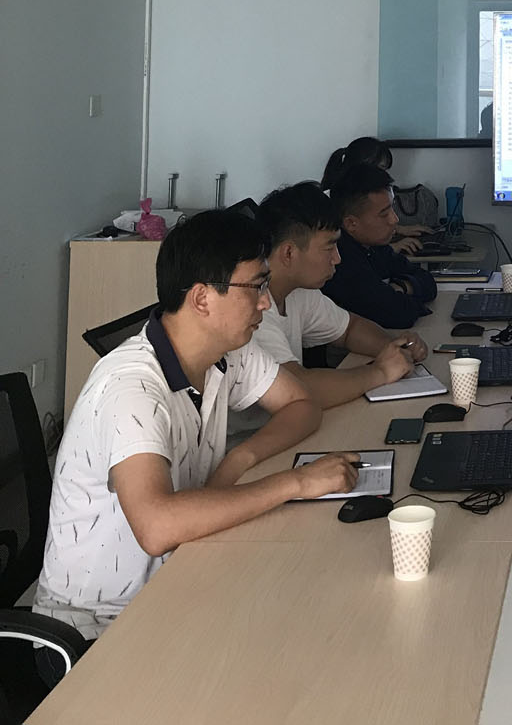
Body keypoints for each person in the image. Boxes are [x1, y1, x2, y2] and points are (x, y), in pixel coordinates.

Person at [33, 211, 358, 640]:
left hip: (180, 577)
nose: (265, 302)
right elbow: (156, 527)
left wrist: (240, 458)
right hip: (99, 629)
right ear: (203, 299)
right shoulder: (131, 387)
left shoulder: (228, 349)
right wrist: (294, 483)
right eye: (256, 287)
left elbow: (302, 404)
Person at [251, 181, 429, 411]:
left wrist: (395, 350)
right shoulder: (252, 309)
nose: (337, 259)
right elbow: (295, 388)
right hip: (256, 431)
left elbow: (350, 328)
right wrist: (381, 371)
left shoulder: (298, 292)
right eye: (329, 248)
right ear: (289, 253)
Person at [323, 164, 438, 330]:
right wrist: (403, 294)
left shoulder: (375, 245)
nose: (394, 219)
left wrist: (401, 287)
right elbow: (399, 315)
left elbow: (428, 282)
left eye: (392, 208)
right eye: (384, 214)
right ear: (351, 223)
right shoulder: (341, 260)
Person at [321, 136, 428, 252]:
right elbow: (343, 248)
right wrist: (392, 248)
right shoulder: (328, 202)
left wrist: (399, 229)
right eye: (379, 169)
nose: (381, 175)